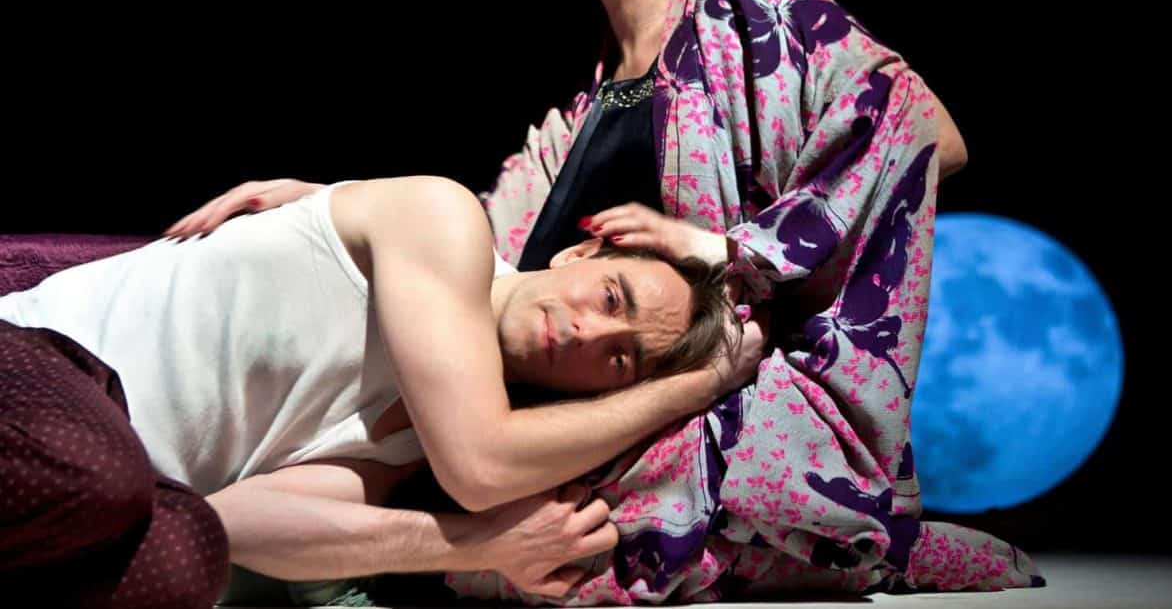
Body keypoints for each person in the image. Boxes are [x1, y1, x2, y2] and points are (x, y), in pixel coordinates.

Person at [161, 0, 1044, 600]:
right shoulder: (585, 108)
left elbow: (922, 128)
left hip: (733, 375)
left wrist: (735, 249)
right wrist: (333, 203)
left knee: (551, 530)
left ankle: (854, 538)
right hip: (592, 384)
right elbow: (482, 244)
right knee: (454, 468)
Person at [0, 176, 764, 607]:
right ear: (579, 253)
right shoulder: (444, 216)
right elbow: (482, 466)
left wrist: (481, 544)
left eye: (621, 361)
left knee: (183, 563)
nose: (588, 333)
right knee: (105, 478)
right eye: (610, 297)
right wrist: (689, 388)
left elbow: (236, 522)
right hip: (37, 364)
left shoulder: (408, 445)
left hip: (98, 491)